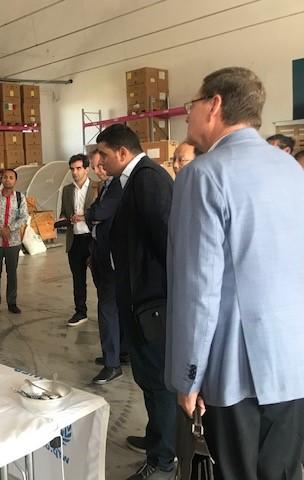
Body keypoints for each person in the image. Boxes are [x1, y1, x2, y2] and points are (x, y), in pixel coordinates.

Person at [167, 66, 304, 480]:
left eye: (191, 104)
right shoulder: (290, 170)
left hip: (236, 371)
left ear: (215, 105)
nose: (187, 114)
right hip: (293, 363)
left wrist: (188, 377)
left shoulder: (203, 175)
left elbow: (199, 289)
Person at [98, 124, 175, 479]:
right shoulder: (132, 181)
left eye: (104, 154)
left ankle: (164, 460)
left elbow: (169, 241)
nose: (99, 160)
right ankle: (156, 436)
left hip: (153, 303)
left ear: (123, 153)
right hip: (139, 299)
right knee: (147, 377)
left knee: (158, 382)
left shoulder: (148, 179)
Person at [85, 149, 126, 385]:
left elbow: (98, 212)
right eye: (94, 167)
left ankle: (113, 364)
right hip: (101, 255)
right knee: (114, 307)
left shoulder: (118, 185)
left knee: (107, 309)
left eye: (100, 166)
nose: (97, 171)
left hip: (112, 260)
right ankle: (118, 352)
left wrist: (90, 214)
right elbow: (96, 216)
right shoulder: (106, 186)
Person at [0, 168, 30, 315]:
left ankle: (12, 303)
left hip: (13, 242)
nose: (8, 180)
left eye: (11, 177)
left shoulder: (20, 197)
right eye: (5, 177)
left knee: (12, 273)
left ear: (15, 181)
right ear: (1, 180)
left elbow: (23, 217)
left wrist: (9, 228)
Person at [59, 153, 94, 327]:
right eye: (72, 169)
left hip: (93, 240)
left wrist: (85, 216)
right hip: (74, 241)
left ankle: (108, 311)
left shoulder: (97, 188)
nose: (75, 172)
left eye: (79, 168)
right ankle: (81, 312)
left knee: (100, 279)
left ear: (86, 169)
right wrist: (68, 219)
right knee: (78, 279)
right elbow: (62, 216)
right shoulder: (66, 190)